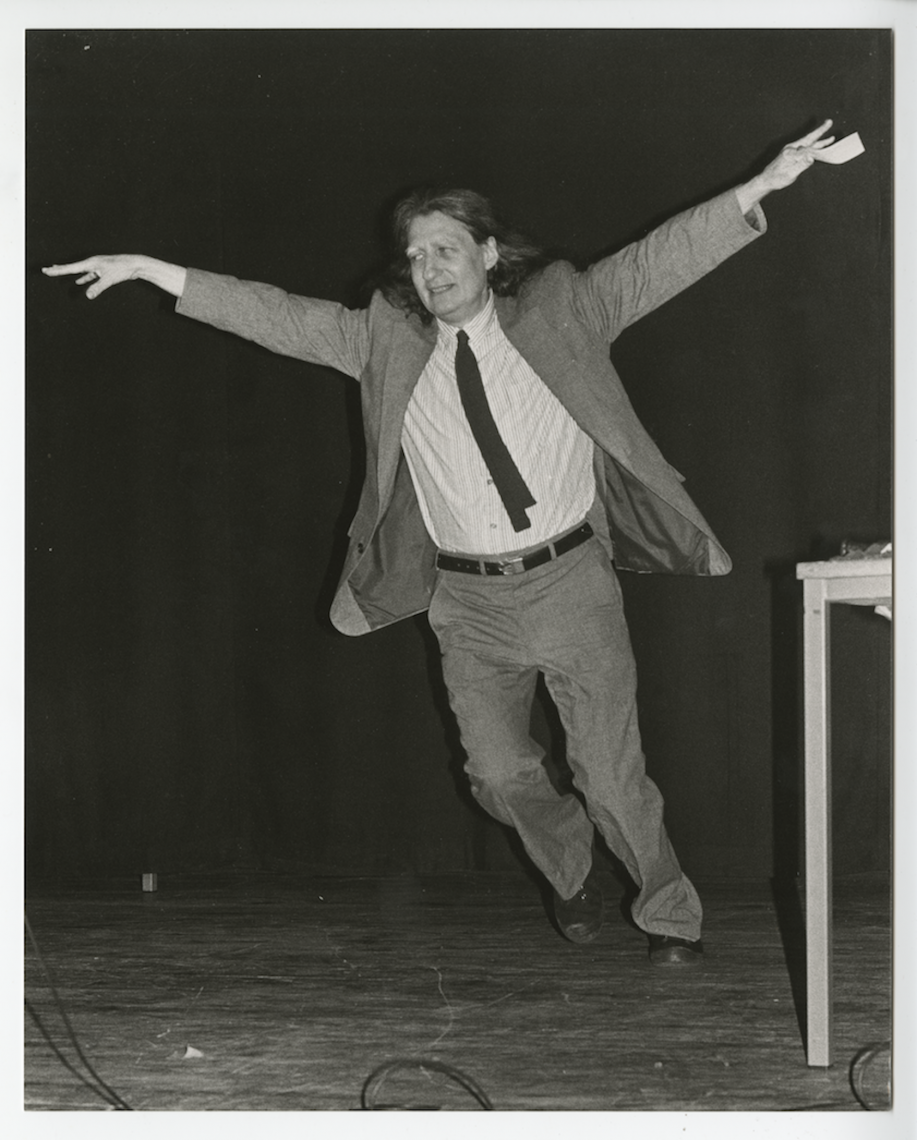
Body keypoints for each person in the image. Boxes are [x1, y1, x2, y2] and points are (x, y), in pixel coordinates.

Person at [44, 119, 836, 966]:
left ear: (489, 255)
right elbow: (273, 313)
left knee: (611, 776)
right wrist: (151, 269)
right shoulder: (382, 342)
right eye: (417, 257)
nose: (430, 269)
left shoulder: (566, 306)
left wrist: (762, 185)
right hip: (466, 599)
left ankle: (670, 918)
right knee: (495, 775)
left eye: (447, 249)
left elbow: (660, 256)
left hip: (569, 580)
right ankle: (568, 867)